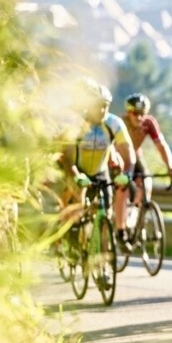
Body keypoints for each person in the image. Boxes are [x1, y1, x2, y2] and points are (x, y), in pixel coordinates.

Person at [61, 79, 137, 271]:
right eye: (98, 107)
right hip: (77, 170)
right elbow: (66, 157)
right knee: (79, 199)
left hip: (100, 171)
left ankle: (101, 264)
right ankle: (72, 238)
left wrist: (127, 174)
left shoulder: (113, 124)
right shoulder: (76, 124)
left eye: (106, 106)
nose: (102, 111)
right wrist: (76, 175)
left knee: (105, 215)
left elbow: (129, 154)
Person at [122, 93, 172, 249]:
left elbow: (161, 146)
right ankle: (124, 218)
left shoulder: (149, 123)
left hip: (136, 156)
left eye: (142, 114)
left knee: (146, 183)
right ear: (128, 112)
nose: (139, 118)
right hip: (120, 158)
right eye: (135, 113)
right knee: (124, 187)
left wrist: (171, 167)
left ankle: (140, 210)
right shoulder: (121, 123)